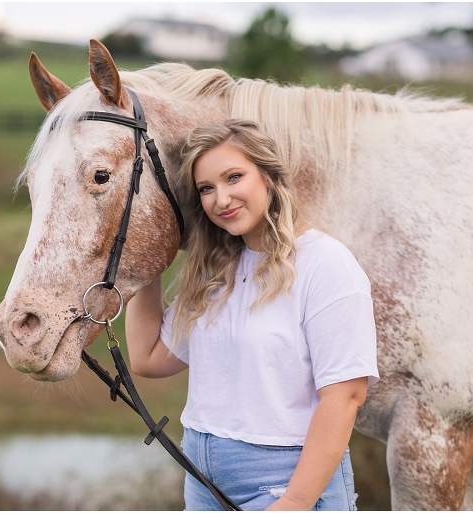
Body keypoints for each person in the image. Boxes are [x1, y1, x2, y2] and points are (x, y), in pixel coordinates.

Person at [125, 119, 379, 511]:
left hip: (286, 482)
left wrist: (294, 502)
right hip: (203, 477)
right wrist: (149, 260)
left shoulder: (325, 264)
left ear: (269, 175)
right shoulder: (215, 269)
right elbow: (149, 358)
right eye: (206, 188)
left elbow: (345, 396)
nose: (220, 199)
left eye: (234, 177)